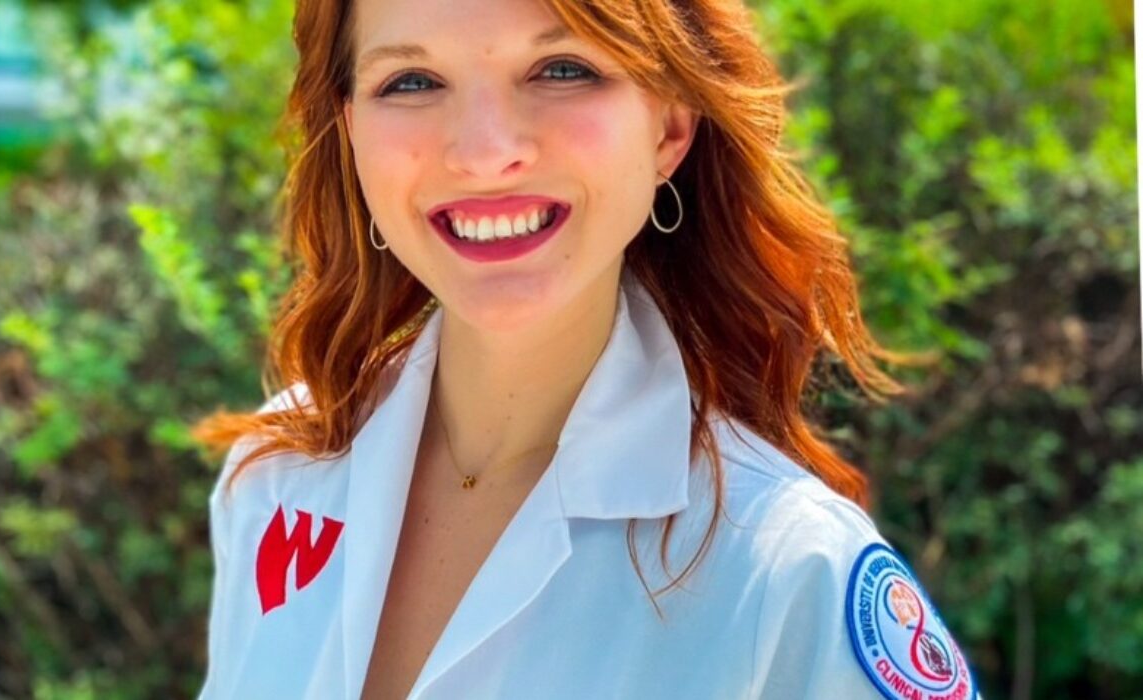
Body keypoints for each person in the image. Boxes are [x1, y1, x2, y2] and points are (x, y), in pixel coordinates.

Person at [193, 0, 983, 698]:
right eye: (412, 81)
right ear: (351, 130)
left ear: (669, 127)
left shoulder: (792, 574)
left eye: (562, 69)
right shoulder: (273, 480)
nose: (484, 151)